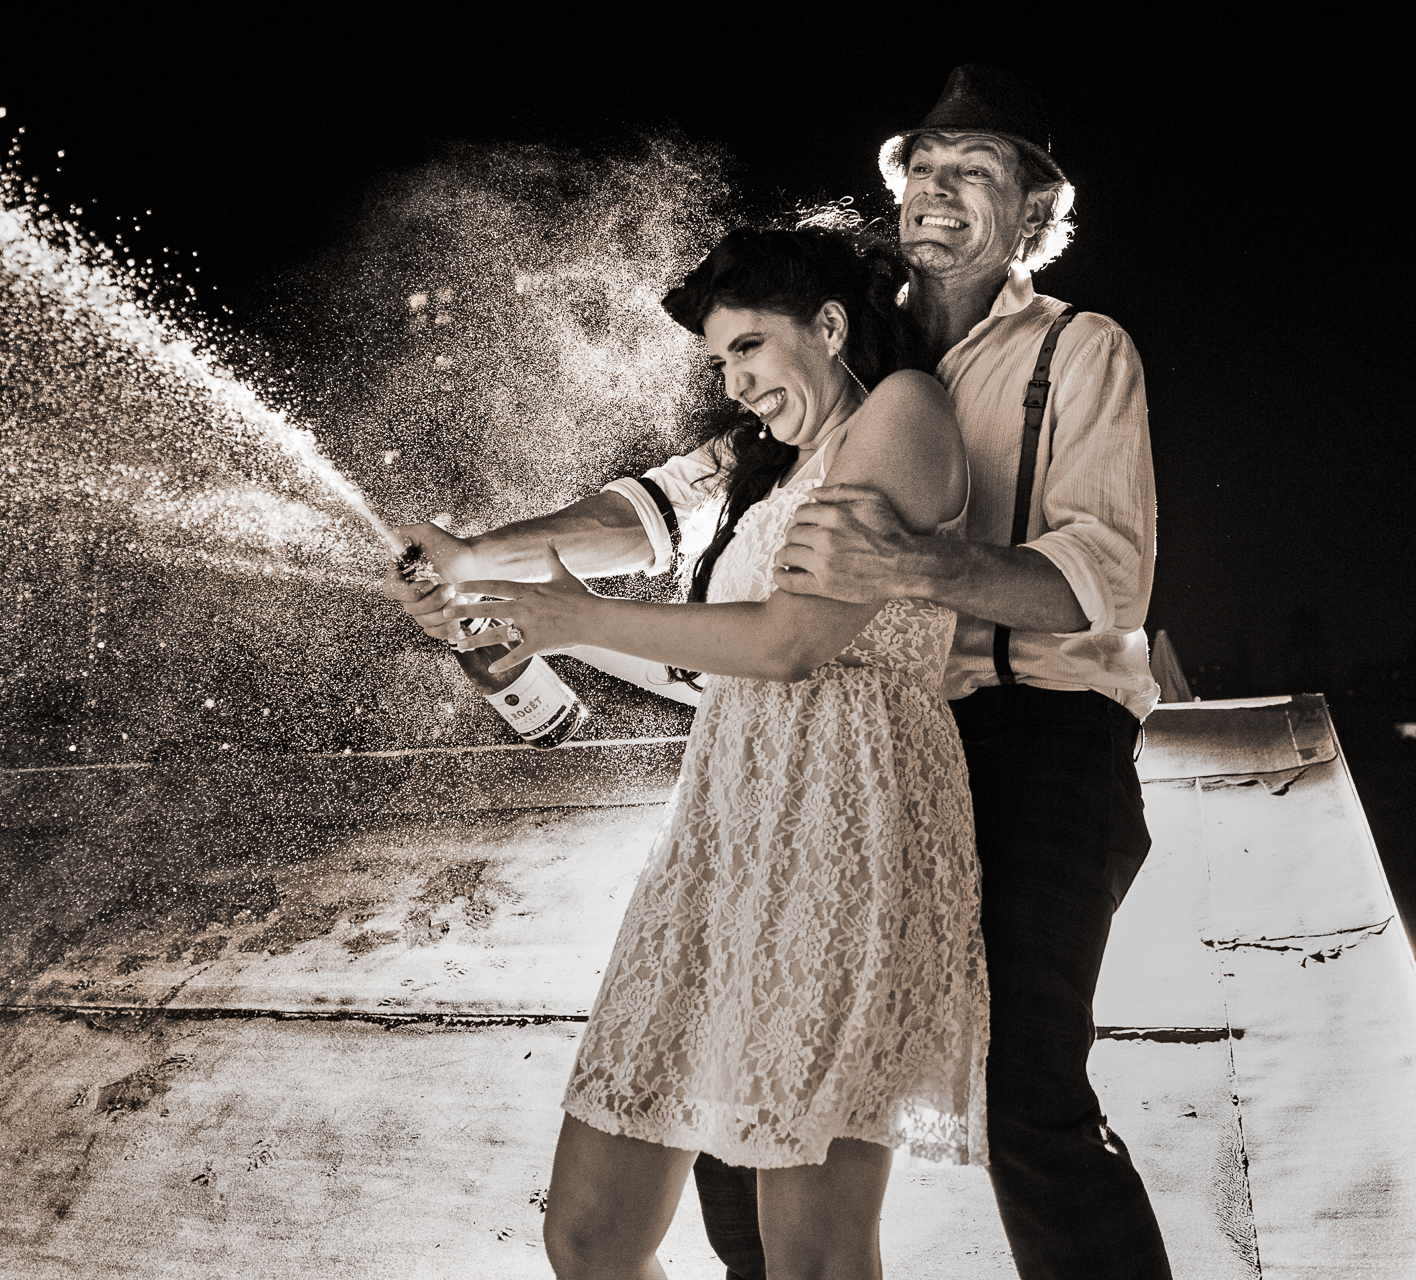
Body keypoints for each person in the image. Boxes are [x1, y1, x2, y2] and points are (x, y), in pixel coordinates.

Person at [387, 65, 1171, 1280]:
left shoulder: (1073, 349)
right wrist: (480, 557)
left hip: (1038, 731)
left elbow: (1104, 582)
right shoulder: (840, 355)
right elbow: (662, 506)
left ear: (1034, 211)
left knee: (1022, 1088)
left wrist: (914, 565)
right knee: (727, 1127)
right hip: (847, 752)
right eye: (919, 168)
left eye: (973, 172)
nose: (934, 190)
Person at [391, 224, 986, 1280]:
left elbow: (791, 642)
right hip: (719, 838)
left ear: (830, 326)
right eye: (720, 361)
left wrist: (571, 618)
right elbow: (662, 566)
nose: (735, 380)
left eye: (749, 346)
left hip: (845, 831)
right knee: (590, 1235)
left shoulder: (902, 412)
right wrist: (491, 575)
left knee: (811, 1253)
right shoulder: (768, 471)